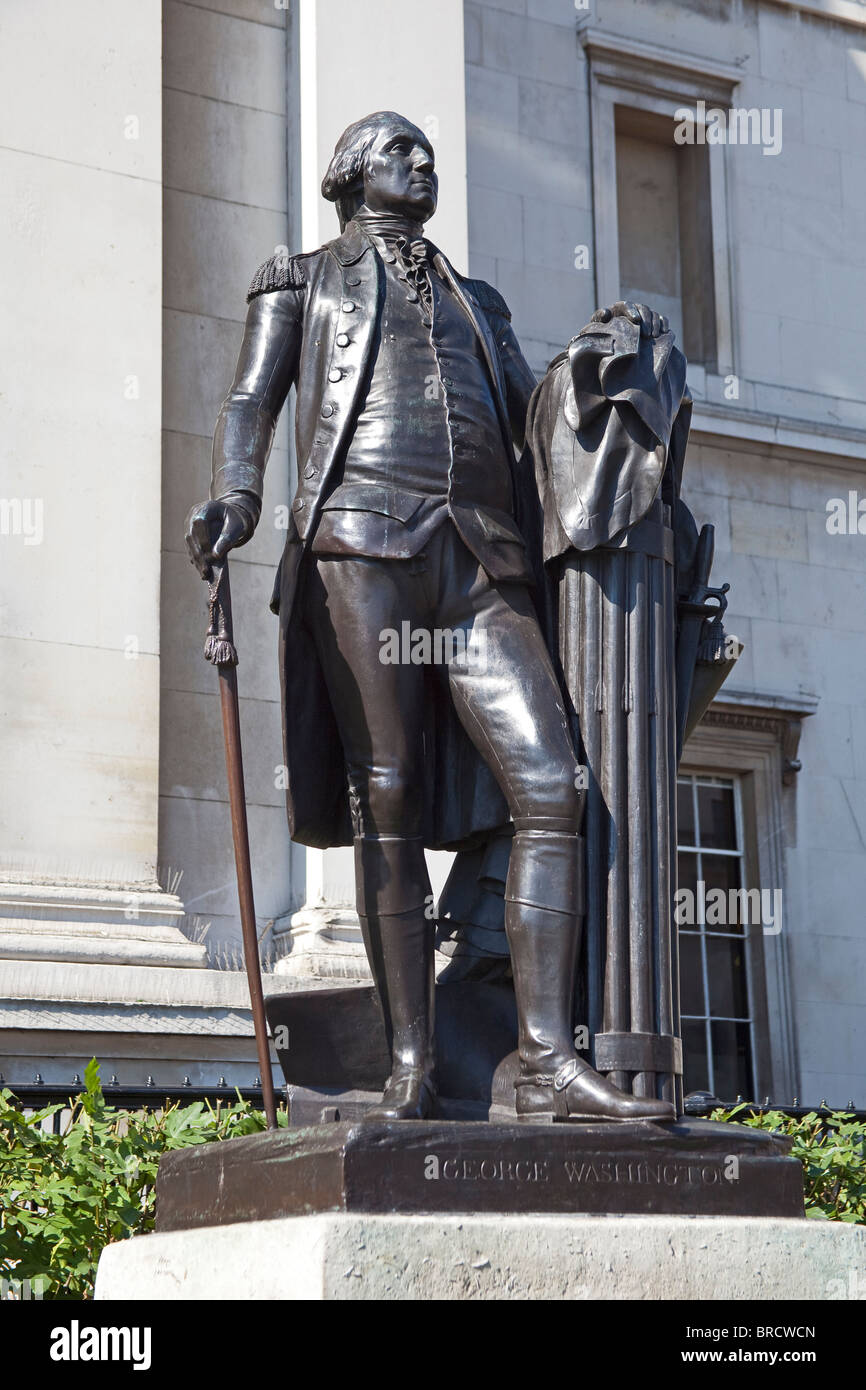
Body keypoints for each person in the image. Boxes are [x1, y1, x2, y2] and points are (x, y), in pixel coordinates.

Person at [186, 111, 674, 1125]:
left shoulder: (475, 297)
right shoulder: (304, 278)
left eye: (427, 152)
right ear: (349, 173)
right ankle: (410, 1060)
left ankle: (542, 1057)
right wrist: (237, 496)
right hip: (359, 545)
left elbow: (529, 416)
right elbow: (249, 403)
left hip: (479, 557)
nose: (422, 161)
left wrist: (595, 367)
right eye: (398, 149)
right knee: (389, 792)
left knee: (551, 780)